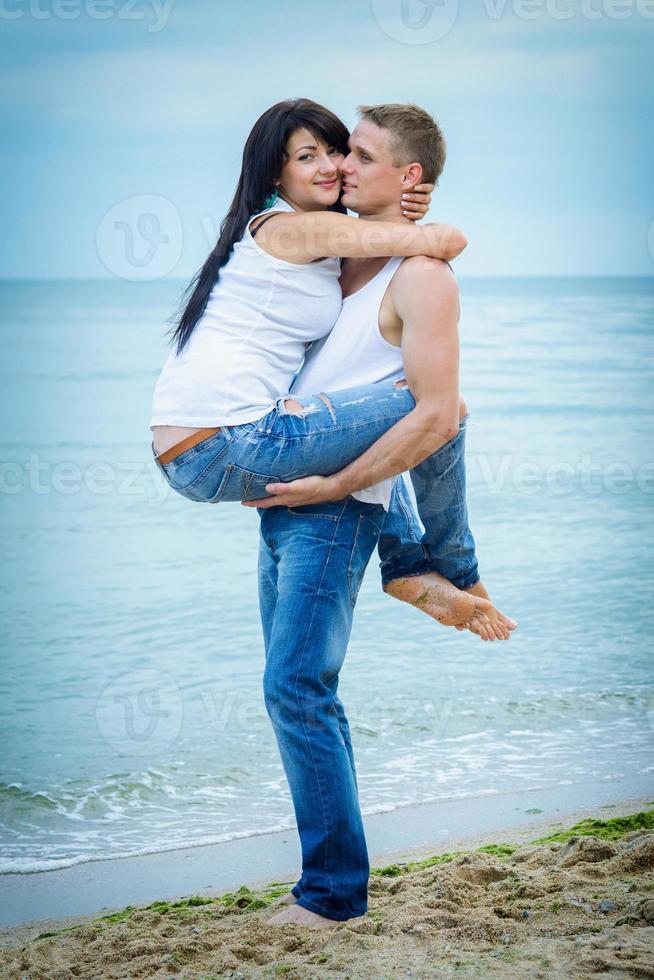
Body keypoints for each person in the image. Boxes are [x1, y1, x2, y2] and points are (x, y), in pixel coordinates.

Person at [251, 103, 516, 930]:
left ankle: (332, 897)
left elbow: (437, 417)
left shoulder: (420, 277)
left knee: (298, 690)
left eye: (359, 156)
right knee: (293, 689)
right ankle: (417, 564)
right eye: (334, 155)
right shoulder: (342, 255)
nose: (340, 168)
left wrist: (337, 491)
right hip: (291, 502)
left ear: (407, 179)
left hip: (336, 508)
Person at [150, 98, 511, 635]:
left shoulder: (324, 250)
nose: (334, 166)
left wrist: (402, 196)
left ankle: (418, 567)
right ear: (276, 170)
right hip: (232, 441)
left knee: (408, 410)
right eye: (308, 156)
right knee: (439, 407)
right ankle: (440, 567)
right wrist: (411, 200)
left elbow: (393, 245)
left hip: (206, 447)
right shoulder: (297, 232)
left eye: (345, 153)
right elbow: (445, 240)